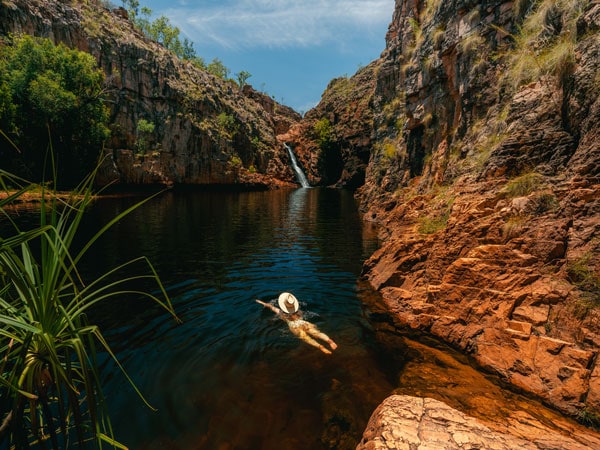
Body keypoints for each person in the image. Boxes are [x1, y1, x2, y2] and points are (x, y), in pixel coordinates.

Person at [256, 292, 338, 355]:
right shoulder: (298, 311)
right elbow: (301, 315)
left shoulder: (281, 313)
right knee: (317, 333)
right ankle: (329, 341)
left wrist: (262, 303)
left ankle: (320, 347)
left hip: (294, 327)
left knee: (306, 338)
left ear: (282, 306)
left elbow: (271, 307)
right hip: (303, 323)